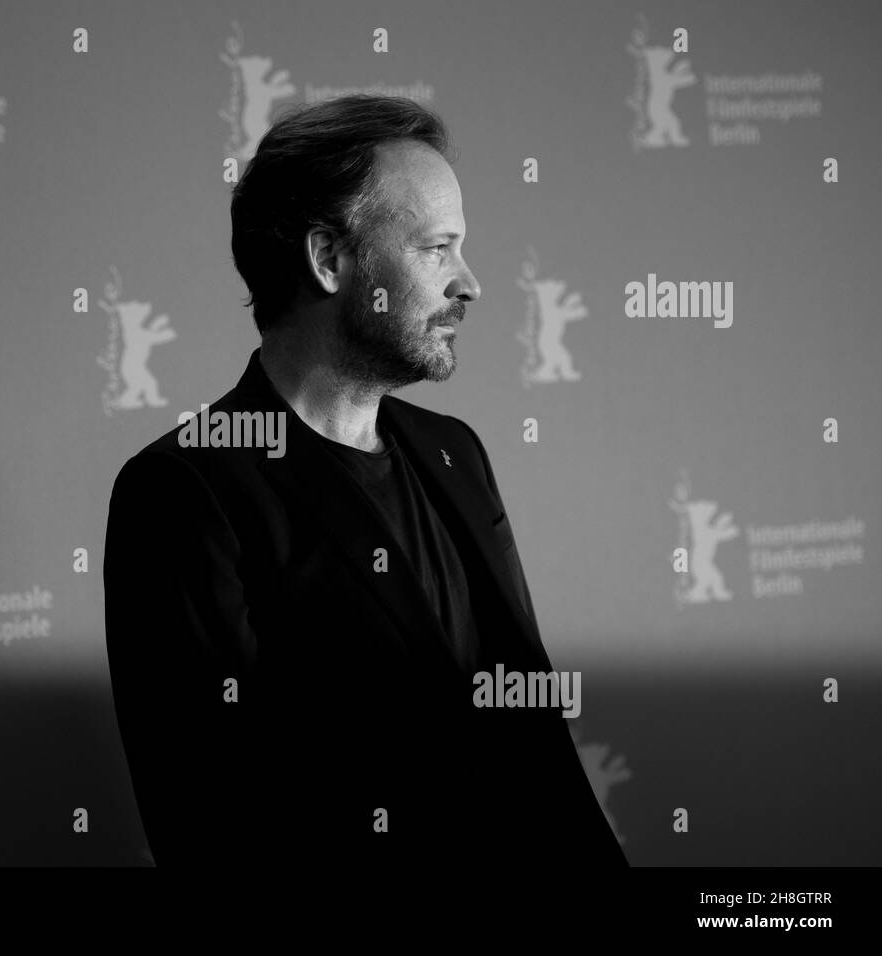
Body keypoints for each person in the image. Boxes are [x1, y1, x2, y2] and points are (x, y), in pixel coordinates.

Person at [104, 94, 627, 869]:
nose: (470, 283)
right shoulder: (186, 490)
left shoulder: (454, 452)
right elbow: (213, 821)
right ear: (328, 259)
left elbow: (533, 741)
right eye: (437, 248)